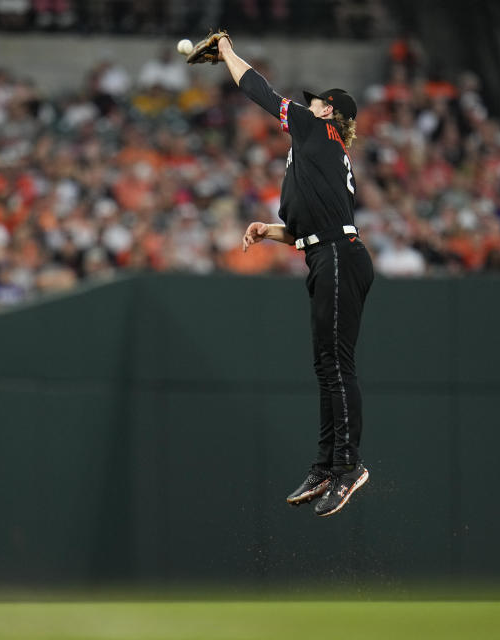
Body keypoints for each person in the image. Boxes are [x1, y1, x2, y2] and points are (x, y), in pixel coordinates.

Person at [215, 35, 374, 517]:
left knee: (337, 366)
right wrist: (271, 231)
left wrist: (224, 49)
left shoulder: (315, 131)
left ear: (330, 113)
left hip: (339, 255)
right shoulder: (315, 154)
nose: (308, 107)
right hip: (326, 251)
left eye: (318, 103)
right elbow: (309, 227)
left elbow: (258, 90)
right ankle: (327, 464)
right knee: (326, 367)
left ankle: (349, 467)